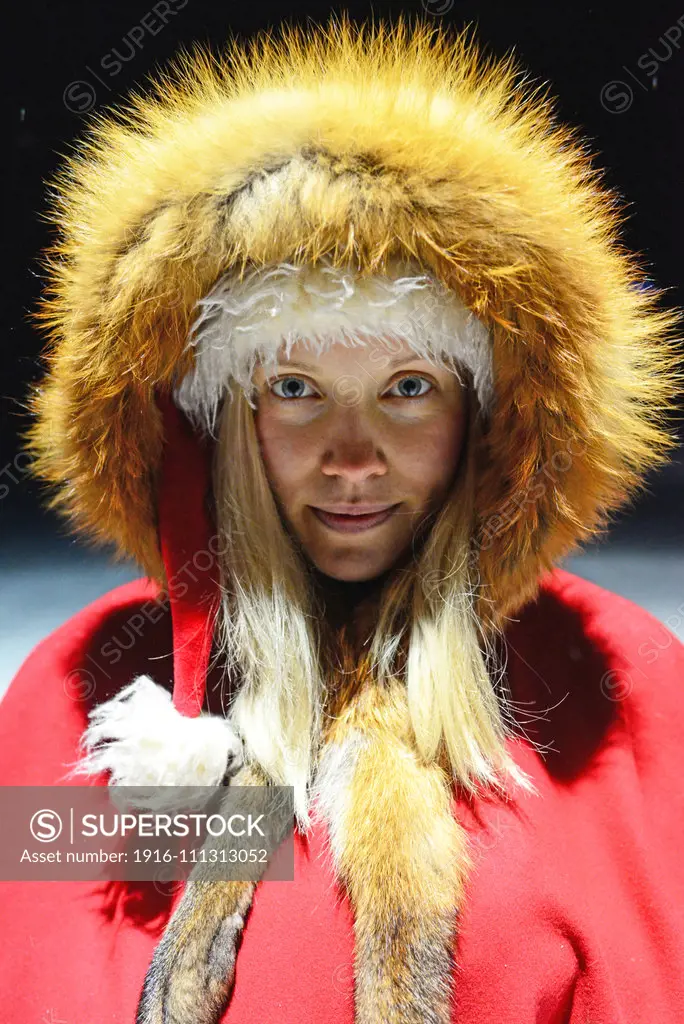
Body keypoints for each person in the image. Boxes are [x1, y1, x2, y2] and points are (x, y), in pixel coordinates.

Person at [2, 12, 684, 1024]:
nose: (353, 455)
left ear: (487, 415)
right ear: (220, 421)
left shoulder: (622, 690)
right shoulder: (83, 696)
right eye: (294, 388)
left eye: (408, 385)